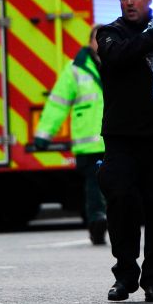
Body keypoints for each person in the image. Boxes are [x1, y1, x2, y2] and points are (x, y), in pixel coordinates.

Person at [95, 0, 153, 303]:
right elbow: (119, 57)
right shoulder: (109, 33)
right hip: (120, 138)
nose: (130, 1)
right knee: (121, 204)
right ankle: (125, 274)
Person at [34, 24, 107, 245]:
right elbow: (58, 103)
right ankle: (97, 222)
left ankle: (110, 221)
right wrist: (44, 134)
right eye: (98, 39)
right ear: (89, 42)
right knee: (95, 186)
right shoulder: (76, 69)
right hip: (89, 143)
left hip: (115, 139)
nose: (102, 43)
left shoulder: (119, 61)